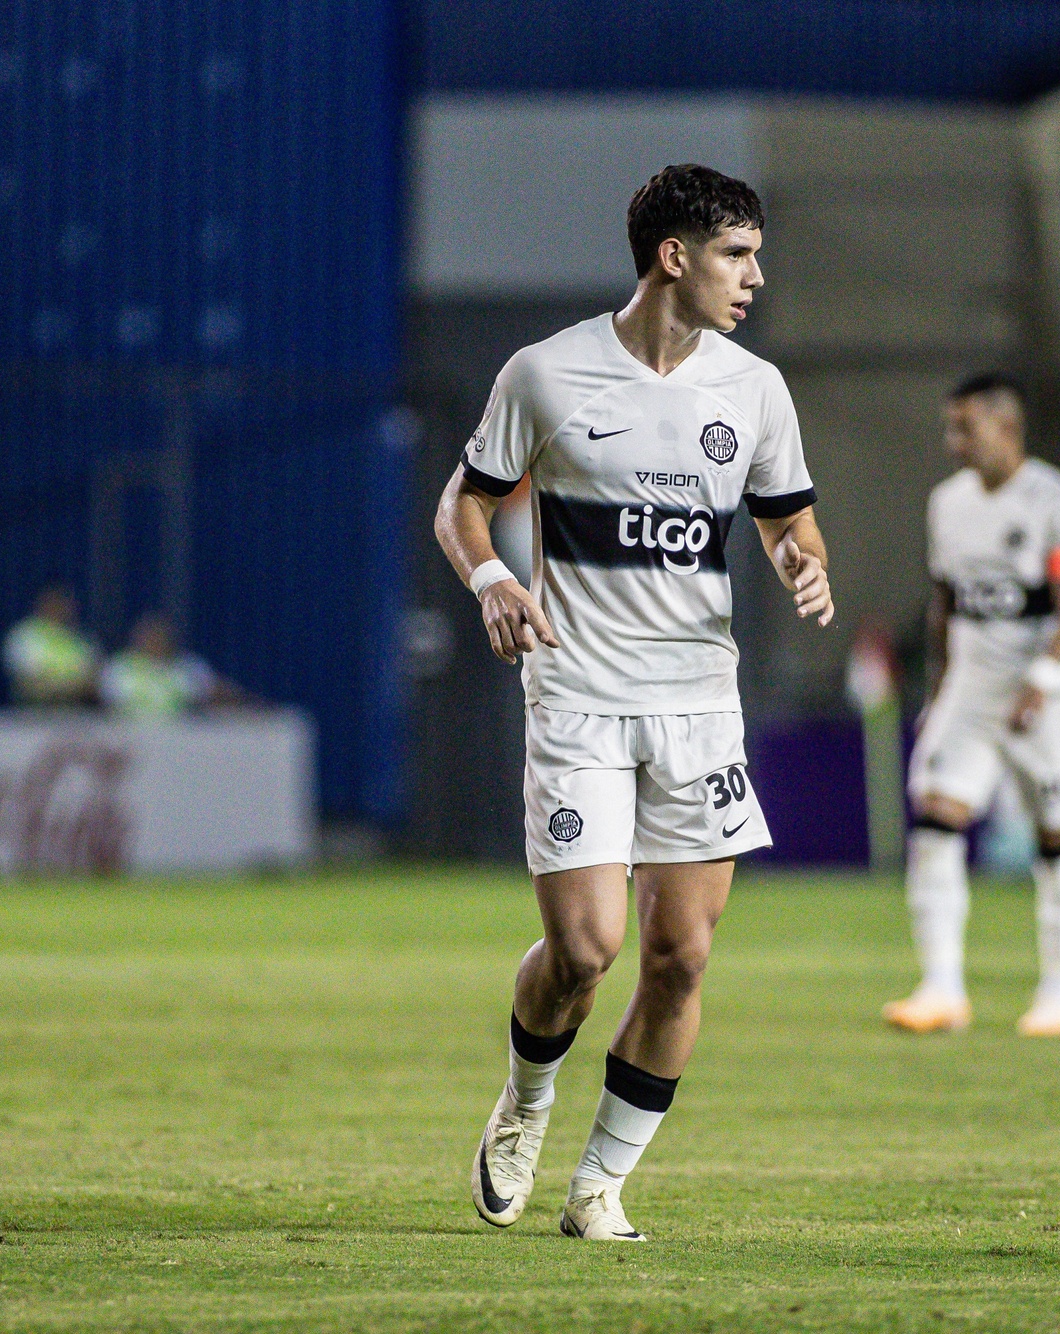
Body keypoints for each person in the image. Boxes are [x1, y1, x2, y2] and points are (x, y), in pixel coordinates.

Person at [434, 164, 833, 1242]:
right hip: (578, 696)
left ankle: (600, 1184)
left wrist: (801, 562)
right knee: (583, 949)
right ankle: (524, 1104)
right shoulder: (546, 373)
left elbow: (788, 518)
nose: (754, 277)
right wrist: (492, 578)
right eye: (736, 255)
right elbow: (462, 505)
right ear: (673, 256)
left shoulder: (754, 389)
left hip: (698, 707)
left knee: (681, 956)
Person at [882, 374, 1060, 1039]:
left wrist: (1043, 677)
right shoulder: (947, 503)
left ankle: (1058, 994)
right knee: (935, 821)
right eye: (950, 428)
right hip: (972, 690)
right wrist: (939, 688)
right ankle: (942, 988)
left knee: (1058, 839)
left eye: (965, 428)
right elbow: (945, 603)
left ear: (1006, 427)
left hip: (1042, 692)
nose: (954, 442)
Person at [100, 613, 240, 719]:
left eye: (160, 636)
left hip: (178, 738)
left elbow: (219, 693)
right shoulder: (120, 667)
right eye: (150, 636)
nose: (155, 641)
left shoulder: (189, 667)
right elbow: (100, 704)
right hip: (132, 736)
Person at [2, 585, 98, 706]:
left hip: (74, 711)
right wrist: (67, 688)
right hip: (32, 711)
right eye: (54, 603)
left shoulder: (80, 639)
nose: (59, 608)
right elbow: (26, 682)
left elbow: (92, 681)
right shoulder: (25, 635)